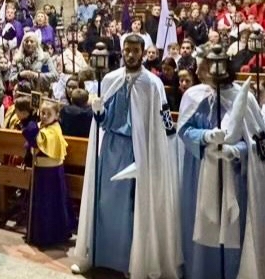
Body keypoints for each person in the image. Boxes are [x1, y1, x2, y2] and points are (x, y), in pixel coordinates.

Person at [72, 34, 182, 277]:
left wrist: (164, 146)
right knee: (104, 203)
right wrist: (98, 111)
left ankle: (132, 261)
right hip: (111, 149)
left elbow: (163, 121)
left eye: (135, 50)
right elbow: (102, 120)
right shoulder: (111, 79)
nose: (131, 54)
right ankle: (98, 256)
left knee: (134, 206)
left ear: (143, 52)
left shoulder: (152, 84)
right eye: (127, 50)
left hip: (138, 151)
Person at [177, 53, 265, 279]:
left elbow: (260, 143)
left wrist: (237, 151)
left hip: (236, 175)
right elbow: (184, 131)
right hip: (199, 172)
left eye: (207, 66)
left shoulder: (244, 97)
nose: (200, 71)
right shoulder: (193, 95)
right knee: (201, 227)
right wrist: (205, 136)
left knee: (233, 228)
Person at [21, 99, 73, 246]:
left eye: (48, 114)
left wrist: (33, 125)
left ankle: (51, 237)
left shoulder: (54, 130)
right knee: (39, 204)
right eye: (42, 113)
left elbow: (35, 138)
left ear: (56, 115)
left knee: (50, 205)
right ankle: (37, 234)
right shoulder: (44, 126)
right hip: (40, 172)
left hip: (51, 174)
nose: (44, 116)